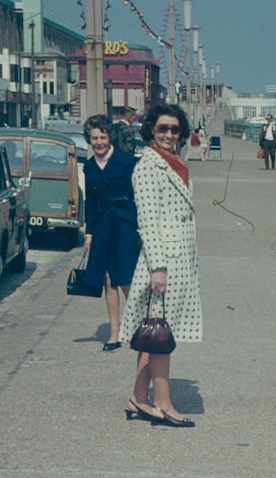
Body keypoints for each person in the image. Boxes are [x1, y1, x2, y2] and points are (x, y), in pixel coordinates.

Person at [120, 103, 202, 428]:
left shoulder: (175, 163)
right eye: (163, 128)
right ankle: (163, 403)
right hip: (164, 259)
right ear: (151, 130)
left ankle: (138, 397)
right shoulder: (148, 166)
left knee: (153, 333)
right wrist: (159, 267)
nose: (169, 134)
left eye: (175, 129)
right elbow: (148, 222)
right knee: (162, 336)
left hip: (178, 259)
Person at [81, 115, 140, 351]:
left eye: (102, 137)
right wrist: (88, 234)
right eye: (94, 138)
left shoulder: (127, 161)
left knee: (125, 277)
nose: (99, 142)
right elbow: (90, 202)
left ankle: (138, 327)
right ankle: (114, 334)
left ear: (110, 137)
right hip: (102, 224)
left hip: (125, 222)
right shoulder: (89, 166)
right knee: (107, 280)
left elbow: (138, 195)